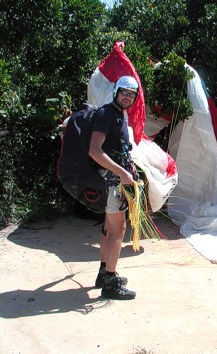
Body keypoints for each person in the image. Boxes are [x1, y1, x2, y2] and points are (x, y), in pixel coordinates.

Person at [89, 75, 139, 300]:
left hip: (115, 180)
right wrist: (123, 173)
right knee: (118, 230)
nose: (127, 98)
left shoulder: (120, 115)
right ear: (116, 92)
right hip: (113, 183)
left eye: (131, 95)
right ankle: (110, 282)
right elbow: (95, 150)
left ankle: (103, 272)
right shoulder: (106, 114)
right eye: (124, 93)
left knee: (108, 229)